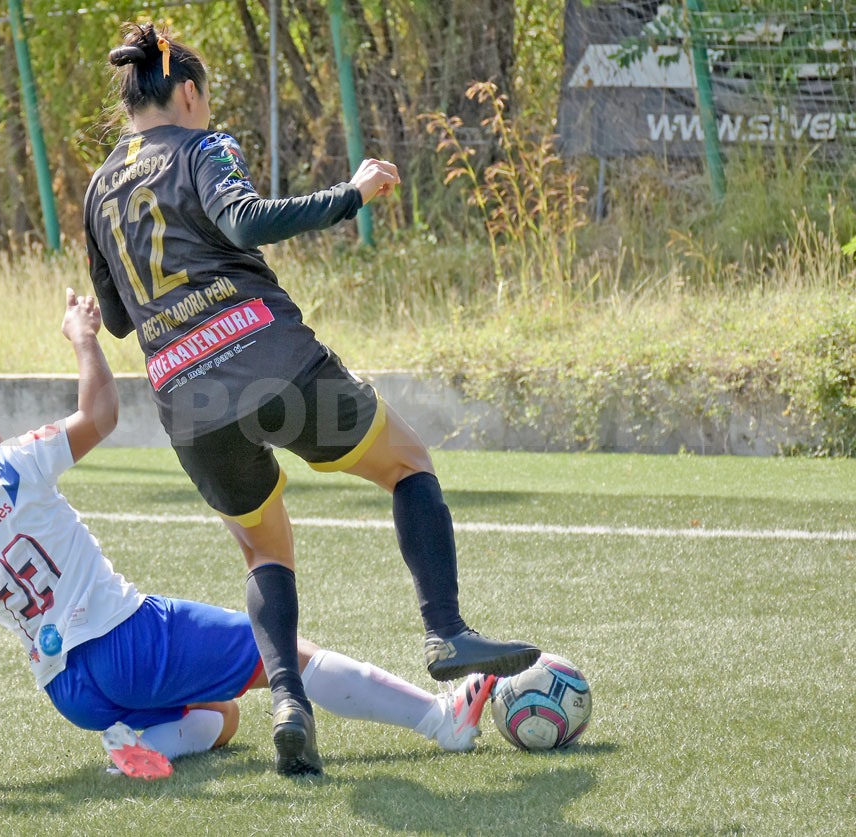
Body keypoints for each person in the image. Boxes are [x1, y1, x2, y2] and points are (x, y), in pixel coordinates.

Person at [0, 289, 500, 780]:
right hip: (126, 638)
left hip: (68, 689)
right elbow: (99, 415)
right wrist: (83, 339)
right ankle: (443, 722)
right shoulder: (13, 467)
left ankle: (140, 741)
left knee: (220, 718)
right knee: (283, 655)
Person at [83, 23, 540, 775]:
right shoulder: (203, 148)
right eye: (205, 99)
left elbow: (119, 318)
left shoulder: (99, 188)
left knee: (265, 549)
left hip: (187, 400)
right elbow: (242, 219)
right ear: (188, 93)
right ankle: (446, 631)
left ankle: (290, 704)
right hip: (272, 364)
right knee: (407, 462)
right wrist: (350, 195)